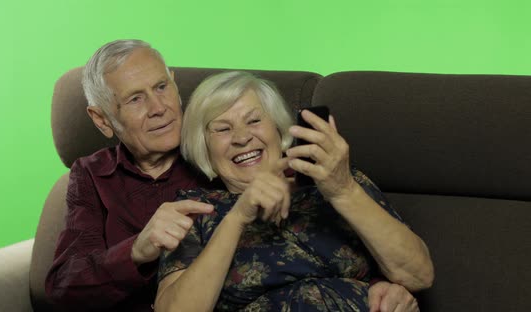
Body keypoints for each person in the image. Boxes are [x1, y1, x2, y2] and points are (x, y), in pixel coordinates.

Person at [45, 39, 424, 311]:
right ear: (101, 119)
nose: (159, 108)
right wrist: (138, 250)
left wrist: (376, 286)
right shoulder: (100, 177)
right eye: (135, 99)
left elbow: (409, 270)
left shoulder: (316, 175)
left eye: (162, 87)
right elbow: (63, 288)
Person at [155, 71, 434, 311]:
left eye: (254, 121)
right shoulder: (195, 210)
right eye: (223, 129)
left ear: (278, 129)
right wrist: (238, 217)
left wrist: (343, 191)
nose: (242, 138)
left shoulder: (337, 182)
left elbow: (419, 275)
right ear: (204, 147)